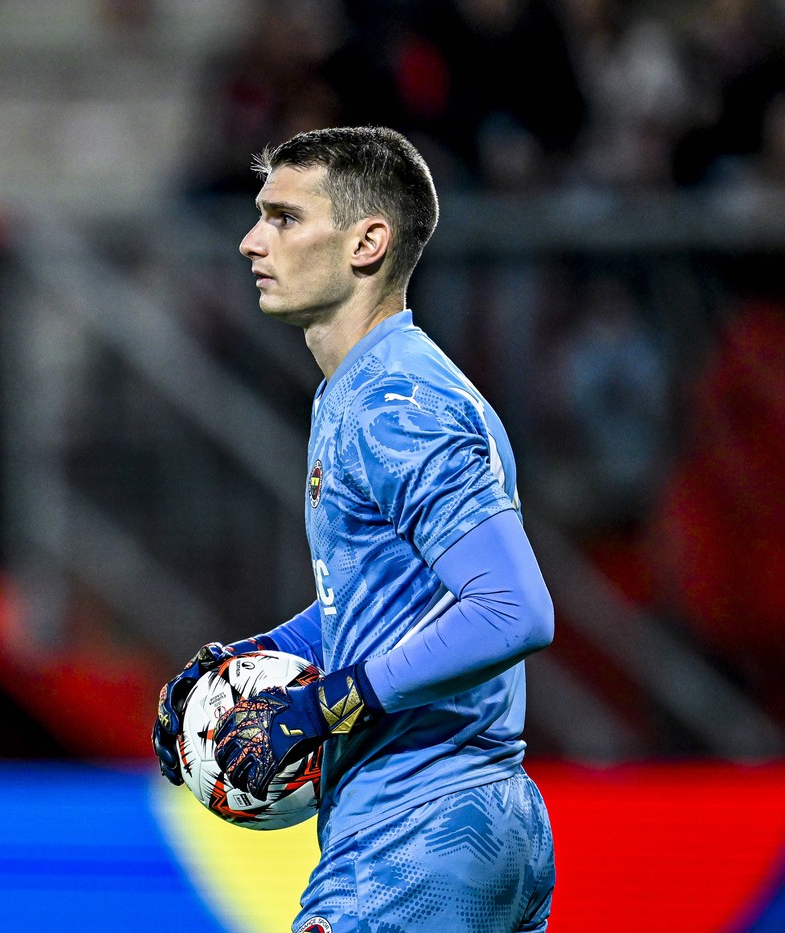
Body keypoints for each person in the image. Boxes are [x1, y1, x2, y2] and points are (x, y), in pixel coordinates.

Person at [151, 126, 556, 932]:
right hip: (470, 821)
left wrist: (325, 704)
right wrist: (257, 657)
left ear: (367, 242)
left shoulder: (395, 406)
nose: (250, 240)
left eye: (284, 218)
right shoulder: (369, 388)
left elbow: (515, 609)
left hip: (415, 832)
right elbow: (394, 600)